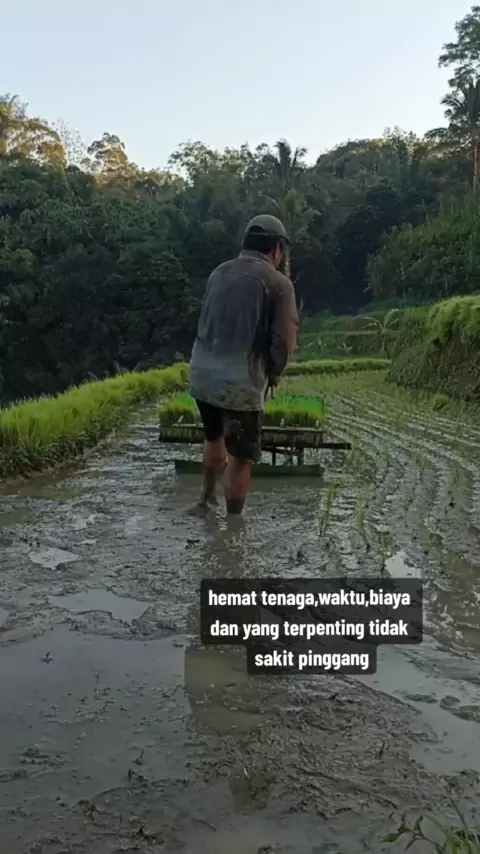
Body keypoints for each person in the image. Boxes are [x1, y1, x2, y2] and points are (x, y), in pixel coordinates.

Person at [188, 214, 299, 516]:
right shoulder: (278, 284)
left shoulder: (218, 273)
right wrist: (274, 374)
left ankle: (206, 500)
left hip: (202, 374)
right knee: (240, 457)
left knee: (213, 437)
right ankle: (233, 525)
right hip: (240, 381)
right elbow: (284, 341)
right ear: (277, 248)